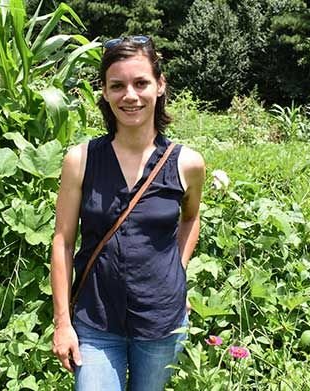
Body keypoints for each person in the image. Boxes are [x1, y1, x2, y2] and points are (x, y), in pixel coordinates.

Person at [50, 35, 205, 391]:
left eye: (141, 83)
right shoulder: (81, 159)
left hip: (161, 321)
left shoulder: (187, 163)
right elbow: (62, 241)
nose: (130, 96)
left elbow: (191, 217)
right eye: (117, 85)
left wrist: (177, 270)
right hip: (95, 320)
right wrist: (62, 322)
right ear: (104, 92)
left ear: (160, 85)